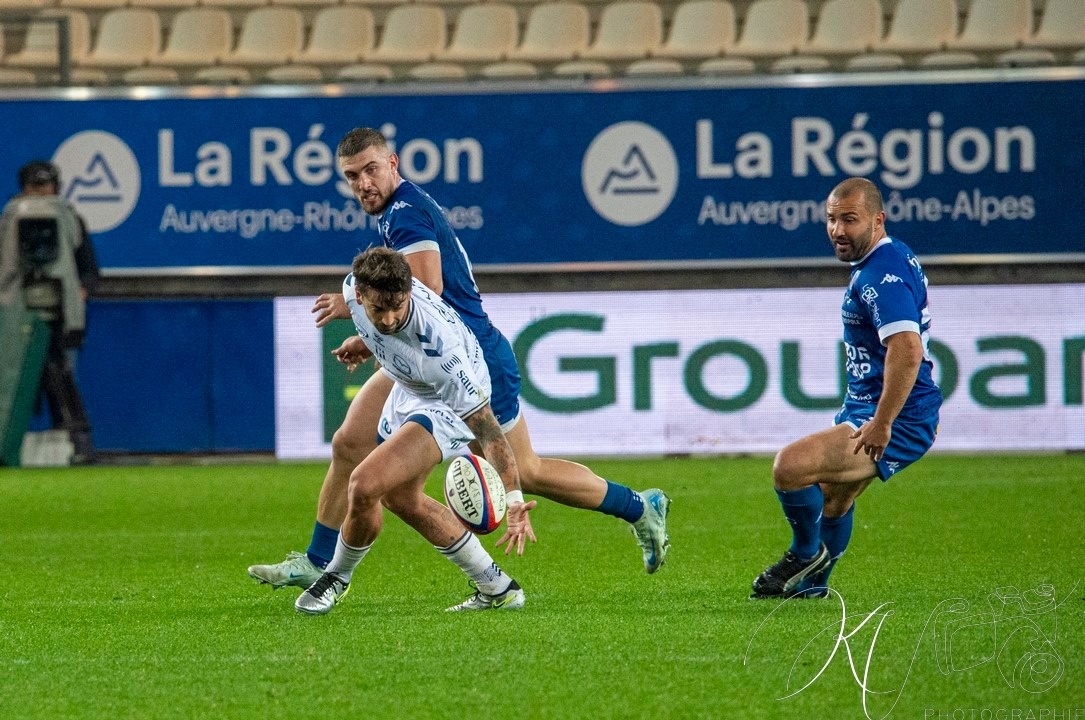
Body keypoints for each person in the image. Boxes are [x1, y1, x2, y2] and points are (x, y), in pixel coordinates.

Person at [249, 127, 670, 592]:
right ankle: (318, 559)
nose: (363, 183)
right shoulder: (398, 210)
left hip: (466, 360)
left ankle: (638, 506)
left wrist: (363, 322)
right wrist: (371, 338)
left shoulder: (405, 218)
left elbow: (426, 289)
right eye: (352, 176)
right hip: (419, 358)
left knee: (523, 471)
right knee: (351, 442)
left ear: (393, 165)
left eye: (371, 170)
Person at [295, 247, 537, 616]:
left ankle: (335, 577)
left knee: (363, 484)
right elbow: (380, 326)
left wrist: (515, 498)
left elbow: (489, 433)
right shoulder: (352, 291)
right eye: (380, 310)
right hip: (408, 387)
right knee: (399, 499)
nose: (390, 319)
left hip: (446, 402)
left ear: (410, 291)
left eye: (398, 307)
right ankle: (498, 587)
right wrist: (365, 341)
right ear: (359, 296)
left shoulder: (442, 355)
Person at [750, 177, 942, 599]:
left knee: (790, 467)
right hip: (873, 407)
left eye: (849, 220)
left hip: (897, 416)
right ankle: (811, 588)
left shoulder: (880, 272)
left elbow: (907, 350)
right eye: (832, 219)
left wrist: (882, 422)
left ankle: (804, 556)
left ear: (877, 220)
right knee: (835, 500)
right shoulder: (886, 258)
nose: (838, 230)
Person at [0, 160, 99, 463]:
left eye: (46, 186)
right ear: (23, 188)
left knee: (61, 376)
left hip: (59, 314)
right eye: (35, 186)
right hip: (18, 312)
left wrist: (76, 294)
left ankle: (77, 444)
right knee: (10, 379)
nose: (41, 193)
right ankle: (7, 444)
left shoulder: (69, 218)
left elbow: (89, 270)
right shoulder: (10, 218)